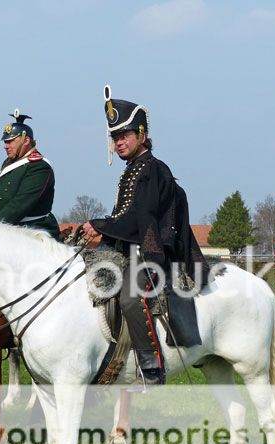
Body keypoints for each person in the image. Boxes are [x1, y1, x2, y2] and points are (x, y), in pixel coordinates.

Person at [81, 86, 209, 386]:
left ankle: (151, 366)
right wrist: (98, 231)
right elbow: (123, 217)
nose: (119, 141)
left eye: (125, 134)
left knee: (128, 297)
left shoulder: (153, 169)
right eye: (115, 136)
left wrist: (101, 225)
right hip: (129, 251)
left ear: (141, 134)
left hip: (152, 254)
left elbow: (140, 219)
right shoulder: (132, 170)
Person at [0, 110, 61, 239]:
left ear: (26, 141)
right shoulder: (9, 163)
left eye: (10, 141)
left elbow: (19, 204)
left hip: (33, 231)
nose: (5, 146)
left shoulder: (39, 166)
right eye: (5, 142)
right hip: (8, 227)